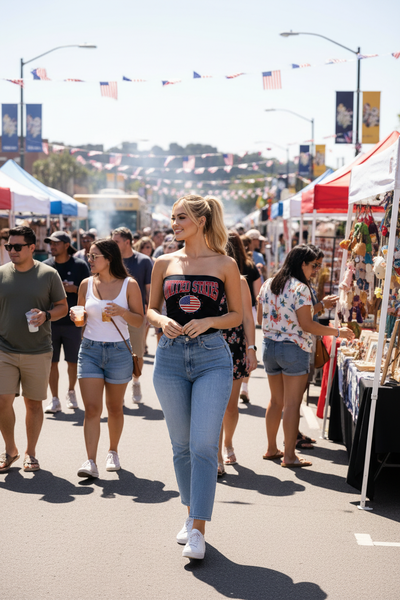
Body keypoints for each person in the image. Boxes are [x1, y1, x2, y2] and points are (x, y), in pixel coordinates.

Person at [147, 194, 242, 560]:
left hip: (211, 357)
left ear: (201, 221)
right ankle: (190, 516)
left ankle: (198, 529)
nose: (175, 224)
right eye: (173, 218)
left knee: (203, 445)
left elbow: (236, 314)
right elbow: (151, 308)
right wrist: (161, 320)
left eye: (181, 217)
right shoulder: (163, 262)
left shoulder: (225, 263)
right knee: (181, 446)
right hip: (169, 358)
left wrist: (210, 320)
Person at [257, 245, 354, 468]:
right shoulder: (300, 288)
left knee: (275, 401)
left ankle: (272, 448)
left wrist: (316, 308)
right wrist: (338, 332)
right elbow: (307, 324)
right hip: (294, 348)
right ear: (302, 264)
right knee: (292, 405)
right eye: (314, 266)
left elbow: (263, 320)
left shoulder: (269, 283)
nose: (316, 270)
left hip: (270, 346)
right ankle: (289, 456)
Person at [71, 239, 143, 478]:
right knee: (91, 408)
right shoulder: (86, 284)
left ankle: (112, 451)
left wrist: (122, 312)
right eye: (89, 256)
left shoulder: (129, 285)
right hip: (90, 349)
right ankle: (90, 461)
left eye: (94, 256)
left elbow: (139, 320)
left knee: (114, 407)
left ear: (109, 258)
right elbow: (81, 317)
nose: (89, 260)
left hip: (119, 352)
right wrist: (76, 316)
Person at [0, 226, 68, 473]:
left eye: (17, 247)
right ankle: (10, 450)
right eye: (9, 246)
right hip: (4, 348)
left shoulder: (49, 274)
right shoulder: (1, 274)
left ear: (31, 248)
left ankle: (31, 452)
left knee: (33, 404)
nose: (12, 251)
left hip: (38, 350)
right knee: (2, 399)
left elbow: (63, 306)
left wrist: (46, 315)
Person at [217, 231, 258, 474]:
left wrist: (251, 349)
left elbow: (248, 319)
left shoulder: (240, 281)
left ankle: (228, 442)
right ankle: (216, 455)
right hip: (207, 344)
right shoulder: (203, 276)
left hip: (233, 346)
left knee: (230, 406)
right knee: (214, 406)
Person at [43, 231, 90, 413]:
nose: (52, 246)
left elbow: (89, 293)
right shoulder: (46, 266)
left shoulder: (80, 265)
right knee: (51, 362)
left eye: (55, 243)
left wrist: (74, 288)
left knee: (72, 362)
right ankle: (54, 398)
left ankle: (71, 391)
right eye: (51, 244)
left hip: (73, 323)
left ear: (66, 244)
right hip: (51, 322)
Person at [111, 227, 153, 403]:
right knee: (116, 354)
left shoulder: (144, 261)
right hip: (113, 315)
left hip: (136, 315)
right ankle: (120, 389)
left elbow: (150, 291)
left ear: (127, 242)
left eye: (116, 241)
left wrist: (150, 313)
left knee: (137, 353)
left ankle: (136, 381)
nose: (113, 244)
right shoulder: (111, 261)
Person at [238, 235, 261, 403]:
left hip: (226, 311)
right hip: (248, 311)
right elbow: (258, 293)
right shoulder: (250, 265)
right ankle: (244, 386)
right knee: (247, 348)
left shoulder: (219, 264)